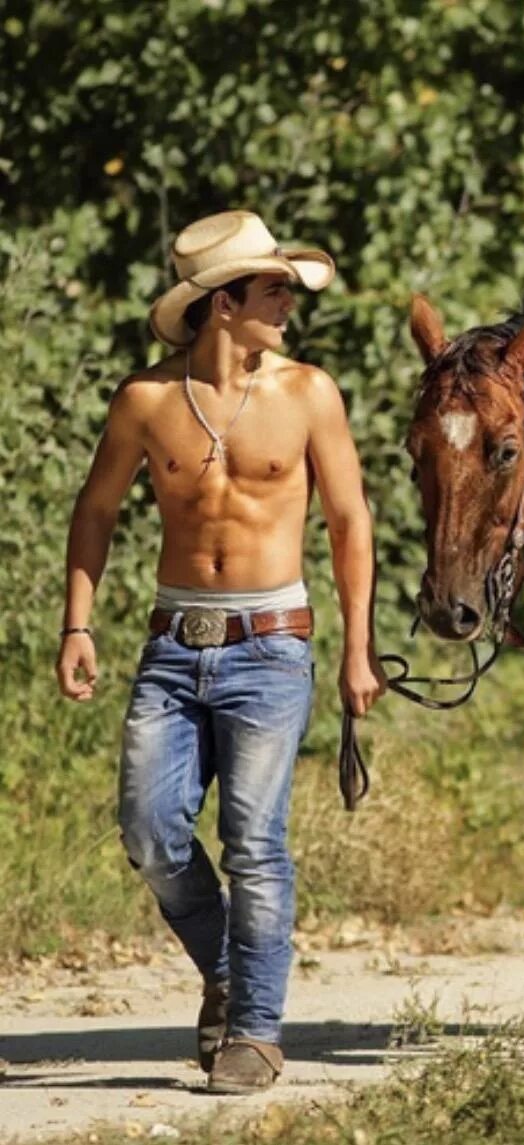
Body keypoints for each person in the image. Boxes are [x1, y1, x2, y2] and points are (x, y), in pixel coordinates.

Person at [55, 210, 385, 1094]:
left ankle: (256, 1032)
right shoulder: (146, 402)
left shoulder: (309, 392)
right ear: (221, 302)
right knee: (152, 832)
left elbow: (351, 521)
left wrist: (361, 649)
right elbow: (95, 511)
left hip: (272, 646)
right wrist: (77, 623)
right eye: (274, 289)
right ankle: (233, 971)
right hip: (172, 642)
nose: (288, 304)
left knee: (254, 841)